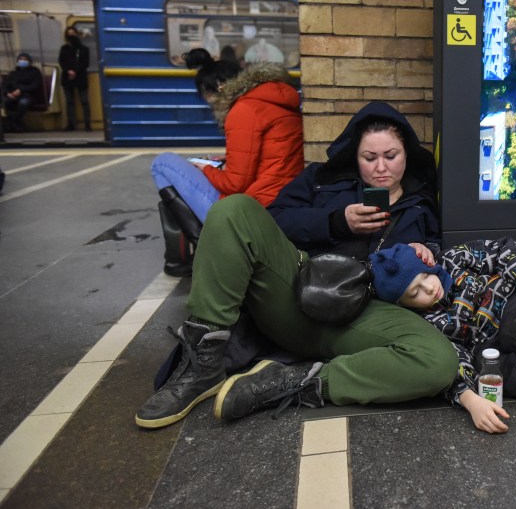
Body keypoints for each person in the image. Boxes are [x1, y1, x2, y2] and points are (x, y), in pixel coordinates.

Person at [135, 102, 456, 429]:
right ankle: (203, 367)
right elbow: (274, 220)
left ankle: (293, 380)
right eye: (369, 158)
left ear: (407, 154)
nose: (380, 168)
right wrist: (336, 222)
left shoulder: (421, 204)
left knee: (439, 361)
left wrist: (425, 256)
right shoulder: (322, 179)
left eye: (391, 156)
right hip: (298, 292)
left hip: (366, 317)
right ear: (354, 156)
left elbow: (441, 273)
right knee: (233, 210)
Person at [357, 240, 516, 434]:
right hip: (488, 345)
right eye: (415, 293)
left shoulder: (453, 260)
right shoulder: (425, 324)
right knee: (505, 376)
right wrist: (469, 399)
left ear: (428, 265)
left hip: (515, 304)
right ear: (405, 304)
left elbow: (501, 249)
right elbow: (454, 359)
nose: (429, 288)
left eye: (425, 276)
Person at [150, 49, 303, 276]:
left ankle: (211, 245)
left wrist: (204, 168)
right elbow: (272, 155)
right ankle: (185, 256)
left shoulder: (244, 109)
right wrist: (226, 161)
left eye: (206, 95)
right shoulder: (275, 100)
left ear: (220, 86)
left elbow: (234, 184)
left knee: (162, 164)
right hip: (278, 199)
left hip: (252, 210)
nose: (208, 104)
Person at [58, 26, 91, 131]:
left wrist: (75, 71)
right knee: (70, 101)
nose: (71, 35)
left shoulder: (84, 49)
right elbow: (61, 61)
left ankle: (87, 124)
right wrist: (69, 71)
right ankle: (71, 124)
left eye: (73, 33)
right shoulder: (64, 48)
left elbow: (85, 63)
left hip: (80, 76)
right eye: (69, 33)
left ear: (77, 34)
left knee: (84, 101)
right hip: (67, 76)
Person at [2, 52, 43, 133]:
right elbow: (5, 85)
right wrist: (7, 93)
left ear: (29, 61)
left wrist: (21, 90)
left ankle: (13, 121)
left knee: (23, 103)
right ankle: (14, 124)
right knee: (5, 102)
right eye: (20, 59)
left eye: (25, 59)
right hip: (13, 95)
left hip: (29, 95)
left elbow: (35, 86)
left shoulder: (35, 72)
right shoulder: (13, 73)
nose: (22, 61)